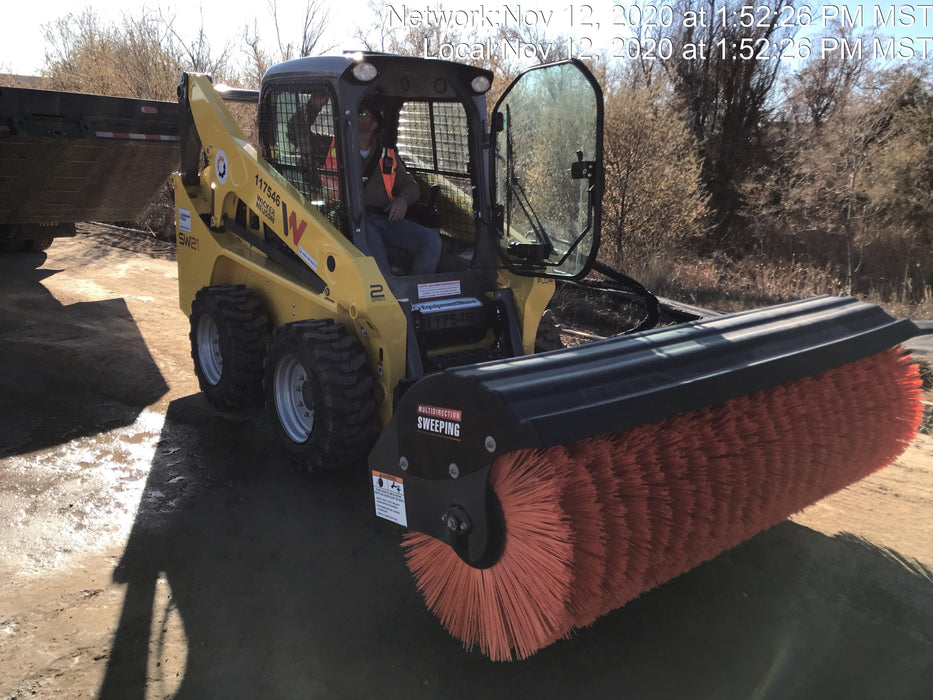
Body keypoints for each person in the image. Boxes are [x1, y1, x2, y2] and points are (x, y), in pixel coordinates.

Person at [356, 98, 441, 276]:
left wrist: (403, 200)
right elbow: (299, 135)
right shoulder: (335, 148)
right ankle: (387, 288)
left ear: (374, 124)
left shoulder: (387, 156)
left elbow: (412, 187)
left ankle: (418, 287)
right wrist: (314, 106)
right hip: (350, 219)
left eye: (362, 112)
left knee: (431, 241)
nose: (355, 115)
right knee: (371, 240)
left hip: (383, 219)